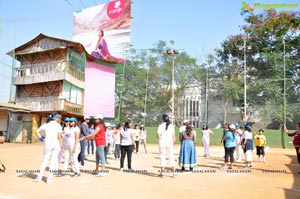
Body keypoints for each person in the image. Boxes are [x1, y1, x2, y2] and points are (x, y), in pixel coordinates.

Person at [33, 113, 63, 183]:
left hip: (48, 143)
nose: (60, 119)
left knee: (45, 160)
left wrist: (40, 138)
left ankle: (39, 177)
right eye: (59, 118)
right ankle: (49, 179)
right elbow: (59, 137)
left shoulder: (46, 125)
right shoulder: (58, 126)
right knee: (53, 161)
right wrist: (61, 145)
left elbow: (37, 131)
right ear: (56, 118)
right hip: (56, 144)